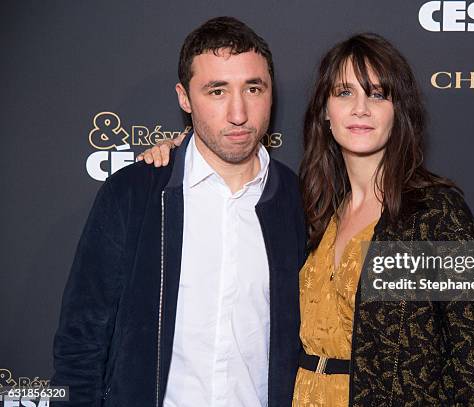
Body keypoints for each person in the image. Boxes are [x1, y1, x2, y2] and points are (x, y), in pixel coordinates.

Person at [141, 33, 474, 405]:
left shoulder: (435, 216)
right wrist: (182, 151)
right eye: (344, 93)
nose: (361, 109)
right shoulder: (313, 208)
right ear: (325, 109)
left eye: (378, 94)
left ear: (398, 110)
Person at [52, 17, 305, 407]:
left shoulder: (299, 201)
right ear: (184, 98)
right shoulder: (135, 193)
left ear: (271, 92)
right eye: (216, 91)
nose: (238, 113)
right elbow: (80, 342)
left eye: (253, 88)